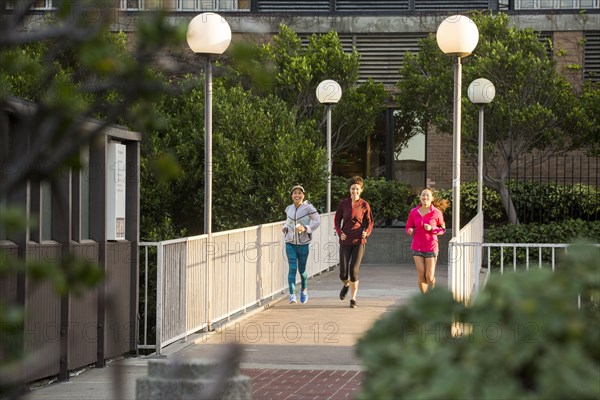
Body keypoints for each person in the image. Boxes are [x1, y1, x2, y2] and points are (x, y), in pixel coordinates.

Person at [334, 176, 374, 308]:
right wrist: (340, 233)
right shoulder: (343, 203)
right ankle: (346, 285)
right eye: (352, 189)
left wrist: (366, 232)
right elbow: (336, 220)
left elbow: (370, 222)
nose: (354, 191)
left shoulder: (364, 205)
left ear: (361, 190)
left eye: (357, 189)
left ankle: (353, 299)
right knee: (343, 274)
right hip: (345, 240)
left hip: (359, 240)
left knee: (354, 270)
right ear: (349, 190)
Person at [405, 187, 449, 294]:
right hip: (417, 246)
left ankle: (432, 293)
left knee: (429, 277)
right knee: (421, 274)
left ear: (432, 198)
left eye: (427, 195)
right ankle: (424, 299)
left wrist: (432, 229)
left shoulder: (437, 213)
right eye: (423, 195)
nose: (425, 197)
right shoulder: (414, 212)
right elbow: (408, 227)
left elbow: (443, 229)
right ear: (420, 197)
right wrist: (410, 230)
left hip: (431, 246)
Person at [283, 185, 321, 304]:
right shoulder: (289, 208)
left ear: (303, 195)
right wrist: (285, 228)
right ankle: (292, 294)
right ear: (291, 195)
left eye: (300, 193)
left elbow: (317, 221)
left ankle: (304, 289)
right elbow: (288, 222)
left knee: (302, 270)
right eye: (295, 193)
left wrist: (305, 228)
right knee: (292, 268)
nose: (297, 195)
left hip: (303, 244)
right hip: (290, 243)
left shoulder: (309, 208)